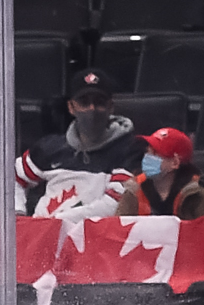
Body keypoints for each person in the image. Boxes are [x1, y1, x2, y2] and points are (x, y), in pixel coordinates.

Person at [13, 68, 148, 218]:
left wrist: (57, 223)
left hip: (94, 237)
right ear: (71, 107)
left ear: (110, 107)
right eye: (84, 102)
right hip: (40, 235)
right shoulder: (49, 147)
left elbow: (116, 203)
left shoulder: (130, 149)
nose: (92, 109)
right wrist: (16, 215)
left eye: (99, 102)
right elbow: (12, 177)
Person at [115, 127, 204, 220]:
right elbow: (118, 232)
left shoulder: (198, 197)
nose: (147, 157)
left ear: (175, 163)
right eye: (147, 152)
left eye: (155, 153)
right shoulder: (133, 192)